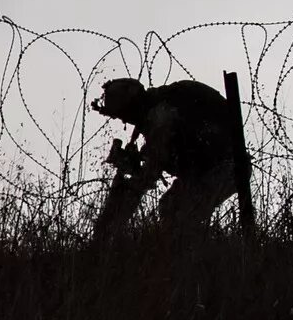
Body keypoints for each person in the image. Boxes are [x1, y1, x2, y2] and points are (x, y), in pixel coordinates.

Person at [91, 75, 241, 238]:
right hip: (215, 169)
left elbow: (150, 173)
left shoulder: (160, 116)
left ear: (132, 107)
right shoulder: (163, 106)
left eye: (124, 116)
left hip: (225, 169)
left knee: (177, 217)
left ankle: (205, 255)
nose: (125, 121)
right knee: (170, 208)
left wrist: (111, 222)